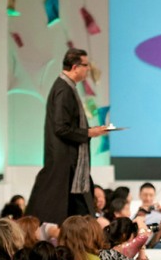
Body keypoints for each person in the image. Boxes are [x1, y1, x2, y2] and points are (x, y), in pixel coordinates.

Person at [25, 48, 108, 225]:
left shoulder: (66, 87)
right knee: (68, 215)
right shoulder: (64, 89)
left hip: (70, 162)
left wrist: (90, 131)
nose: (88, 69)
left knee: (78, 214)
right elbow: (61, 128)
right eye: (86, 65)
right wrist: (89, 132)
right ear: (75, 67)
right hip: (65, 163)